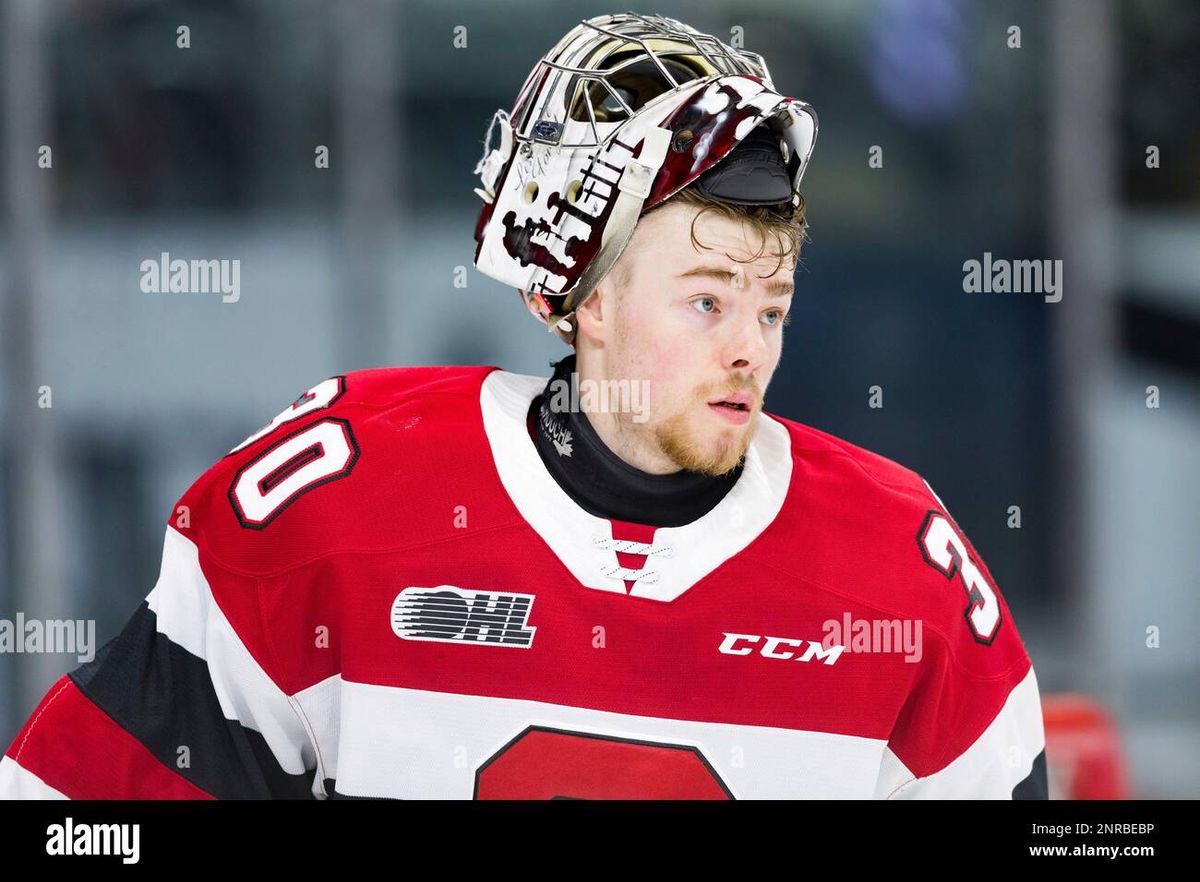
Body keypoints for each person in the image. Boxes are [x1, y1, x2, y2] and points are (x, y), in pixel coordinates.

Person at [0, 12, 1046, 799]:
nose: (749, 347)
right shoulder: (339, 500)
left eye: (771, 302)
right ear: (578, 297)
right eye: (707, 299)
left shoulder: (901, 569)